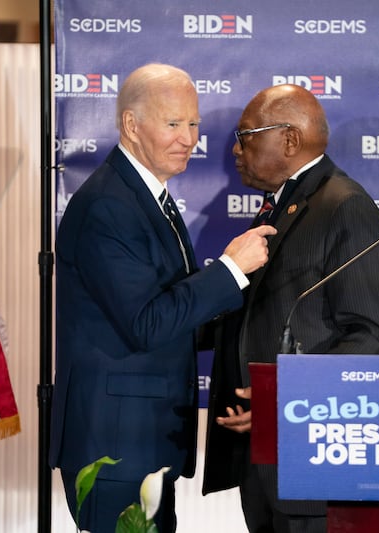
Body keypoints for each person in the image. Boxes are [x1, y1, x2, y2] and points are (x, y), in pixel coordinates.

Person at [49, 63, 276, 533]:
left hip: (143, 445)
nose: (189, 137)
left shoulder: (149, 195)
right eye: (173, 123)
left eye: (192, 123)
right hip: (114, 449)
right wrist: (231, 270)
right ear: (132, 125)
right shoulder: (108, 206)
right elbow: (149, 323)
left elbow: (179, 318)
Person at [202, 84, 379, 533]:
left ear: (289, 139)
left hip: (312, 459)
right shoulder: (277, 206)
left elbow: (375, 339)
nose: (236, 148)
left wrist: (284, 398)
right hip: (264, 460)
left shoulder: (345, 207)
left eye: (246, 134)